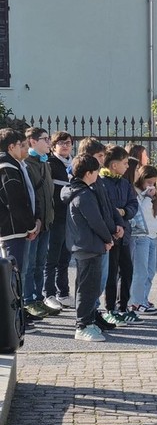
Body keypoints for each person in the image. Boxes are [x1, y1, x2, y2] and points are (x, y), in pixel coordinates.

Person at [61, 154, 114, 342]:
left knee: (88, 287)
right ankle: (82, 325)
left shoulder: (78, 191)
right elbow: (96, 222)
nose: (98, 175)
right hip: (88, 246)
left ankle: (88, 321)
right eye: (96, 171)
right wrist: (108, 238)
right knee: (87, 288)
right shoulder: (84, 194)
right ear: (89, 173)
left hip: (87, 245)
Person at [0, 129, 39, 327]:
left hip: (16, 229)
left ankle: (18, 313)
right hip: (12, 230)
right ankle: (13, 321)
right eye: (21, 144)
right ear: (11, 147)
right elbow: (16, 202)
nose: (24, 148)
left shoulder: (13, 166)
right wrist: (30, 226)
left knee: (16, 275)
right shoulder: (7, 168)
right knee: (12, 276)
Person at [23, 127, 59, 320]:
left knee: (40, 263)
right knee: (28, 265)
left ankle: (38, 298)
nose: (49, 143)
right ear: (33, 142)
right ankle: (28, 300)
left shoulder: (44, 163)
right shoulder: (26, 164)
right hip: (34, 223)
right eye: (45, 139)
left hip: (46, 221)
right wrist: (34, 220)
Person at [100, 145, 139, 323]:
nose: (127, 167)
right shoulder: (101, 182)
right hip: (110, 234)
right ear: (114, 165)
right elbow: (104, 208)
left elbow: (133, 203)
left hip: (125, 234)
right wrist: (114, 224)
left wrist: (124, 212)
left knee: (127, 270)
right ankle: (110, 308)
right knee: (111, 272)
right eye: (124, 163)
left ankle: (124, 307)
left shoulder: (125, 183)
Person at [128, 165, 157, 313]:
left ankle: (143, 299)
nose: (151, 186)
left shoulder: (153, 195)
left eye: (153, 182)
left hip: (152, 235)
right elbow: (139, 212)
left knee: (150, 271)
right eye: (148, 182)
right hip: (140, 236)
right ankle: (136, 302)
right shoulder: (136, 193)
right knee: (141, 271)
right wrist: (146, 197)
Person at [43, 131, 74, 311]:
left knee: (65, 258)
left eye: (68, 143)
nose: (65, 146)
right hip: (56, 218)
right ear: (53, 146)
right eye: (61, 143)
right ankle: (49, 294)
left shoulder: (74, 163)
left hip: (70, 218)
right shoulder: (50, 164)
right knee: (51, 259)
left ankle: (63, 293)